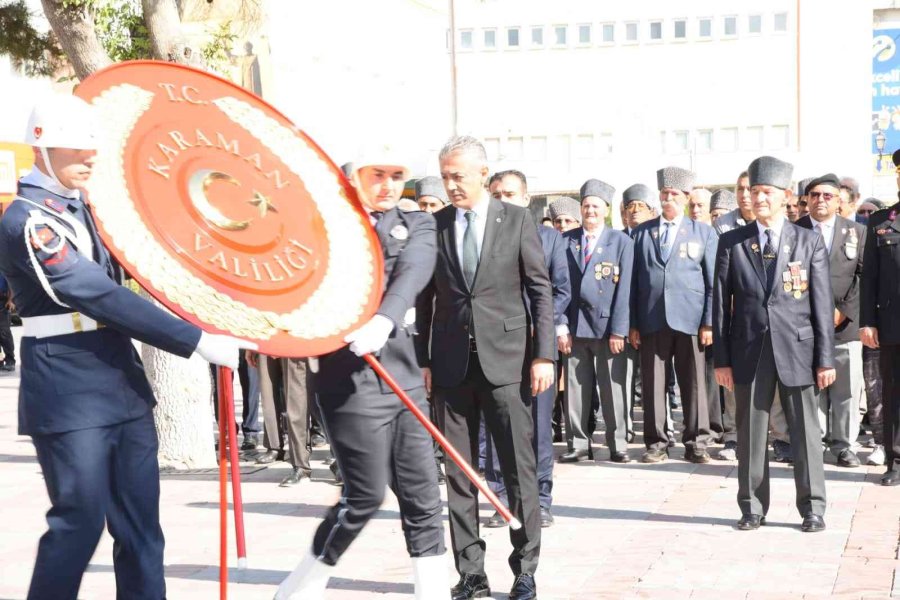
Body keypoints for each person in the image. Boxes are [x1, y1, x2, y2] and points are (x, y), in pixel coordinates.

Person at [0, 93, 250, 600]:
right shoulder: (26, 219)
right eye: (77, 149)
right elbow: (91, 291)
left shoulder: (84, 207)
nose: (90, 158)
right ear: (41, 149)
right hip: (68, 387)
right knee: (78, 523)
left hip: (118, 378)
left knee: (140, 530)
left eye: (93, 148)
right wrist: (196, 340)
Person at [275, 143, 447, 600]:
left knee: (424, 497)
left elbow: (412, 273)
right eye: (377, 174)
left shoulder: (419, 224)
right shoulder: (327, 230)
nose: (388, 185)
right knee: (365, 497)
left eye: (396, 175)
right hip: (349, 383)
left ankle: (431, 592)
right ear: (356, 177)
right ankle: (299, 588)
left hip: (402, 375)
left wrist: (385, 319)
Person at [418, 136, 554, 600]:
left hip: (509, 363)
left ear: (483, 175)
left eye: (459, 176)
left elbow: (540, 289)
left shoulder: (516, 219)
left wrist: (544, 355)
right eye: (445, 176)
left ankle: (525, 568)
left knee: (518, 470)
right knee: (459, 473)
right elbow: (424, 299)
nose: (451, 185)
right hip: (452, 367)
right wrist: (424, 361)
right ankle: (470, 573)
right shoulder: (433, 226)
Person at [713, 155, 835, 532]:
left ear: (784, 195)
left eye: (766, 192)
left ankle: (812, 507)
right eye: (753, 192)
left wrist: (825, 358)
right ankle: (751, 506)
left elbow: (821, 301)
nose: (758, 198)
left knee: (805, 433)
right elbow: (719, 305)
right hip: (748, 350)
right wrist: (722, 359)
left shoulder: (807, 240)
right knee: (751, 434)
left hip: (798, 349)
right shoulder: (732, 242)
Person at [485, 169, 570, 529]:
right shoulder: (480, 236)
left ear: (526, 199)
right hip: (494, 348)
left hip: (535, 346)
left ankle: (541, 499)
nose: (502, 200)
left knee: (537, 425)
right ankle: (500, 498)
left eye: (509, 194)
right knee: (496, 427)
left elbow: (560, 291)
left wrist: (544, 341)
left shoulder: (549, 238)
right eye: (496, 194)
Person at [630, 167, 716, 463]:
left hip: (691, 320)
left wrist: (708, 322)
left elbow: (712, 281)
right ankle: (656, 443)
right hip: (652, 319)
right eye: (664, 193)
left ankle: (696, 442)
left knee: (694, 383)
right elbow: (633, 281)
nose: (669, 198)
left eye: (674, 194)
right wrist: (633, 323)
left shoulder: (703, 232)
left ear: (686, 197)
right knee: (654, 384)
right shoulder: (641, 232)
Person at [559, 178, 634, 464]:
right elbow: (560, 287)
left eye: (595, 206)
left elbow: (625, 289)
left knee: (614, 387)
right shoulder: (566, 241)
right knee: (576, 390)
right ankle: (578, 442)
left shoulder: (621, 242)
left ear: (606, 210)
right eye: (586, 206)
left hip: (607, 329)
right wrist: (561, 327)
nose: (590, 211)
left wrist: (619, 330)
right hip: (575, 327)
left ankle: (617, 443)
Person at [796, 174, 866, 468]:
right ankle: (815, 441)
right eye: (814, 195)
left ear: (839, 201)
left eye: (827, 195)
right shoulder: (793, 230)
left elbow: (863, 276)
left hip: (843, 325)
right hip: (803, 324)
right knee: (810, 388)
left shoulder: (857, 232)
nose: (820, 200)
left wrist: (844, 311)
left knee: (845, 389)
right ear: (806, 200)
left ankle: (843, 445)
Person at [860, 149, 900, 486]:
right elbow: (868, 276)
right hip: (892, 325)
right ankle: (896, 460)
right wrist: (867, 321)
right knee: (893, 394)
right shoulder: (881, 222)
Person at [0, 273, 15, 371]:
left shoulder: (3, 270)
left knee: (4, 334)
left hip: (2, 303)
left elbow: (11, 285)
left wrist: (10, 301)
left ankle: (10, 360)